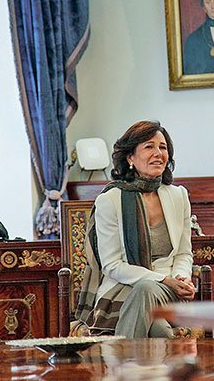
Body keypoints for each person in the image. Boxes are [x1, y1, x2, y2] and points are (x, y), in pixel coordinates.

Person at [74, 120, 195, 338]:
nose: (158, 153)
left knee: (147, 290)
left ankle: (123, 367)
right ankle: (143, 367)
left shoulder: (179, 196)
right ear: (130, 157)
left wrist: (181, 277)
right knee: (159, 329)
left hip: (170, 291)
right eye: (149, 146)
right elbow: (111, 265)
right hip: (122, 289)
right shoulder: (110, 200)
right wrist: (159, 280)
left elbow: (184, 253)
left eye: (163, 147)